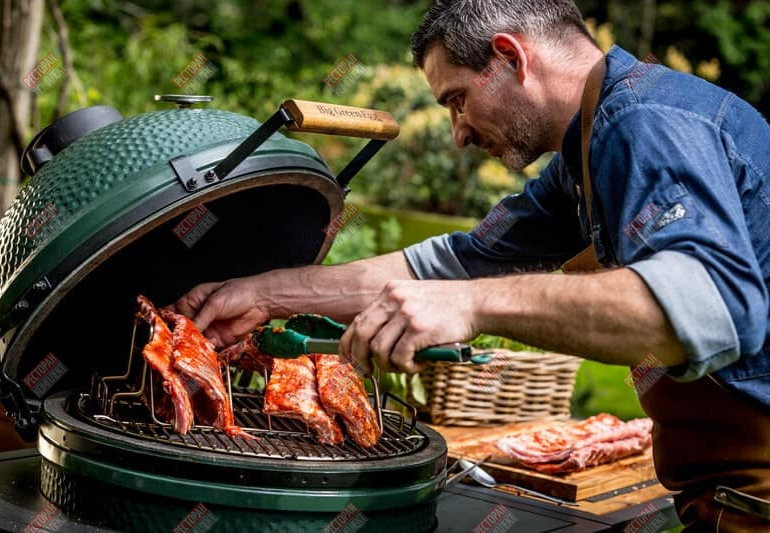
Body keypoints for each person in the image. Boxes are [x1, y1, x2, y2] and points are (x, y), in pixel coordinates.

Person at [174, 1, 770, 530]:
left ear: (510, 57)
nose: (456, 133)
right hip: (725, 497)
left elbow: (715, 305)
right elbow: (450, 263)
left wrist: (473, 304)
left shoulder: (646, 120)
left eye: (457, 99)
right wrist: (267, 294)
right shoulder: (582, 156)